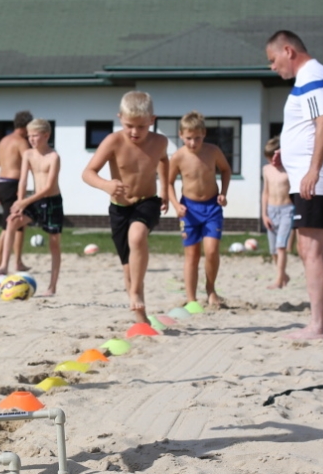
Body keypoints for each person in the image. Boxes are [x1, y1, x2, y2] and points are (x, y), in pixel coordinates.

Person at [266, 30, 323, 339]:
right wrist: (290, 154)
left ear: (288, 51)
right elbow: (312, 126)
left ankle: (319, 325)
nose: (272, 67)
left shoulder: (310, 74)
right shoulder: (316, 75)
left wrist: (311, 169)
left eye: (273, 60)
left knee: (311, 250)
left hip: (318, 176)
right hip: (315, 173)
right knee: (310, 249)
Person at [82, 91, 170, 325]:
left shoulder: (160, 141)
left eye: (141, 126)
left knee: (138, 235)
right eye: (129, 125)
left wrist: (166, 193)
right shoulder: (113, 141)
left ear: (152, 120)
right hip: (120, 208)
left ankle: (137, 292)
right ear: (120, 117)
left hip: (148, 201)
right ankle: (141, 318)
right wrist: (106, 185)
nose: (135, 132)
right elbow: (88, 173)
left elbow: (164, 161)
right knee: (127, 265)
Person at [168, 111, 231, 308]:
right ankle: (191, 298)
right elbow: (168, 183)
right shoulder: (178, 157)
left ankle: (211, 289)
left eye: (197, 138)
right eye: (188, 138)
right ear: (180, 135)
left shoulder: (213, 151)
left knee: (211, 251)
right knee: (192, 255)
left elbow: (226, 170)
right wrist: (176, 205)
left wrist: (223, 192)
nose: (193, 143)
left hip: (212, 207)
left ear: (203, 133)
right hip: (189, 210)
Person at [0, 119, 63, 295]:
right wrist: (20, 203)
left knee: (54, 245)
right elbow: (23, 180)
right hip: (34, 201)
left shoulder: (54, 157)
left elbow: (48, 187)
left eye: (35, 135)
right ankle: (3, 266)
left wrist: (25, 202)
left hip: (52, 202)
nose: (31, 139)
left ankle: (52, 286)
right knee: (12, 222)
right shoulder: (29, 154)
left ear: (46, 135)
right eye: (29, 136)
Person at [0, 110, 32, 275]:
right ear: (26, 127)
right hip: (14, 184)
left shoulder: (4, 141)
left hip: (3, 183)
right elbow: (28, 166)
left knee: (19, 223)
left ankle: (18, 262)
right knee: (8, 226)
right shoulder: (21, 142)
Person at [260, 136, 294, 289]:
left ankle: (279, 281)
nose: (272, 161)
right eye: (268, 158)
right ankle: (283, 274)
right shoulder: (266, 170)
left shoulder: (290, 169)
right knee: (273, 249)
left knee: (281, 246)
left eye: (274, 157)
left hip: (287, 210)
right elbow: (265, 193)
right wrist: (264, 214)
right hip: (271, 211)